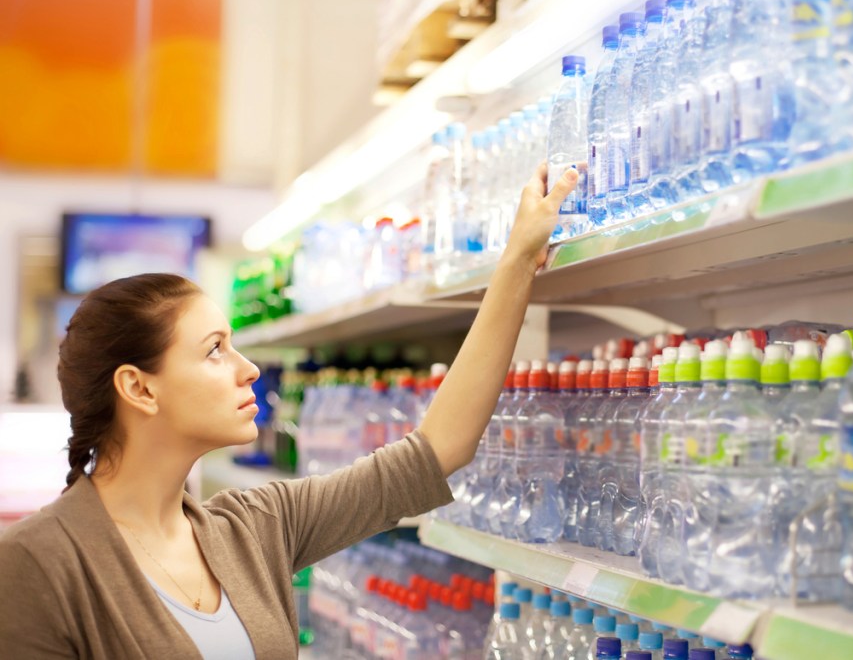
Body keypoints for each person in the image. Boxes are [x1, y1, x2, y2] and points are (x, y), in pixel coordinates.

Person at [0, 164, 580, 658]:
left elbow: (436, 451)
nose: (248, 368)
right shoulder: (38, 564)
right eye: (214, 351)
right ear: (140, 389)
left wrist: (515, 263)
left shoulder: (255, 528)